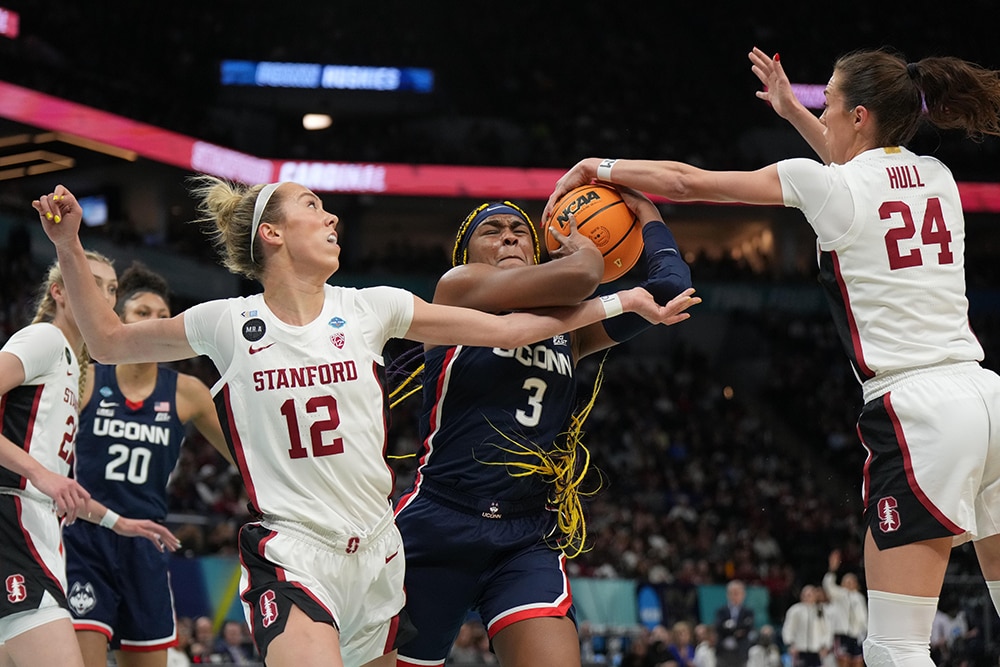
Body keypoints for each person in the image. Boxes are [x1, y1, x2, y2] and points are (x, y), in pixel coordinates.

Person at [34, 179, 697, 667]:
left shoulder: (372, 307)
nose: (332, 216)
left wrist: (623, 300)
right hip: (297, 550)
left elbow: (512, 328)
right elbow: (111, 340)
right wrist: (68, 245)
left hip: (380, 552)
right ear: (272, 233)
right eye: (313, 206)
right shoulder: (227, 321)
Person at [544, 46, 1000, 667]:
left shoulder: (830, 185)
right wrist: (791, 110)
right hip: (984, 396)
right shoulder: (938, 177)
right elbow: (850, 169)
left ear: (859, 115)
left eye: (827, 103)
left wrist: (596, 165)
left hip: (921, 413)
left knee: (895, 647)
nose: (822, 114)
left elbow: (687, 183)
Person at [392, 193, 694, 667]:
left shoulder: (569, 328)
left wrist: (646, 211)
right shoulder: (457, 290)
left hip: (526, 533)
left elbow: (670, 289)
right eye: (492, 231)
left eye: (519, 231)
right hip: (439, 523)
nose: (509, 236)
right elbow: (584, 277)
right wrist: (586, 246)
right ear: (466, 254)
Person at [0, 252, 181, 667]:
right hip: (13, 522)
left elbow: (60, 486)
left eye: (111, 288)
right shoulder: (43, 340)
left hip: (36, 524)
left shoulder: (72, 364)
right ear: (59, 292)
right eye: (91, 282)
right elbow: (44, 478)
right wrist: (39, 474)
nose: (103, 295)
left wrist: (120, 523)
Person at [64, 261, 234, 667]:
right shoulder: (85, 379)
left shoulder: (187, 392)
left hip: (147, 544)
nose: (154, 323)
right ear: (118, 320)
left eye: (162, 316)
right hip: (85, 539)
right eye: (142, 312)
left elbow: (245, 456)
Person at [821, 550, 866, 667]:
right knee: (844, 662)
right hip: (843, 634)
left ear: (856, 584)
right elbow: (828, 585)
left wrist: (864, 632)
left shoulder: (859, 598)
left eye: (852, 581)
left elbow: (864, 617)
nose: (849, 583)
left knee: (858, 662)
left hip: (857, 635)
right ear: (842, 584)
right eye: (847, 581)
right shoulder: (839, 594)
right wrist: (832, 570)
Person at [781, 585, 832, 667]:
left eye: (810, 595)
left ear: (815, 596)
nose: (807, 597)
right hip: (799, 649)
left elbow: (827, 629)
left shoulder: (821, 611)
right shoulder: (795, 610)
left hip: (816, 650)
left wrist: (826, 646)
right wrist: (790, 644)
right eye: (805, 595)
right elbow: (788, 628)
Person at [713, 580, 755, 667]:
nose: (734, 596)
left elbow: (747, 628)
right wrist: (736, 631)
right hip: (723, 652)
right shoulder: (721, 611)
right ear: (728, 594)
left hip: (741, 652)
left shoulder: (748, 612)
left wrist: (730, 627)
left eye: (737, 593)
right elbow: (719, 627)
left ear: (743, 595)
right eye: (732, 593)